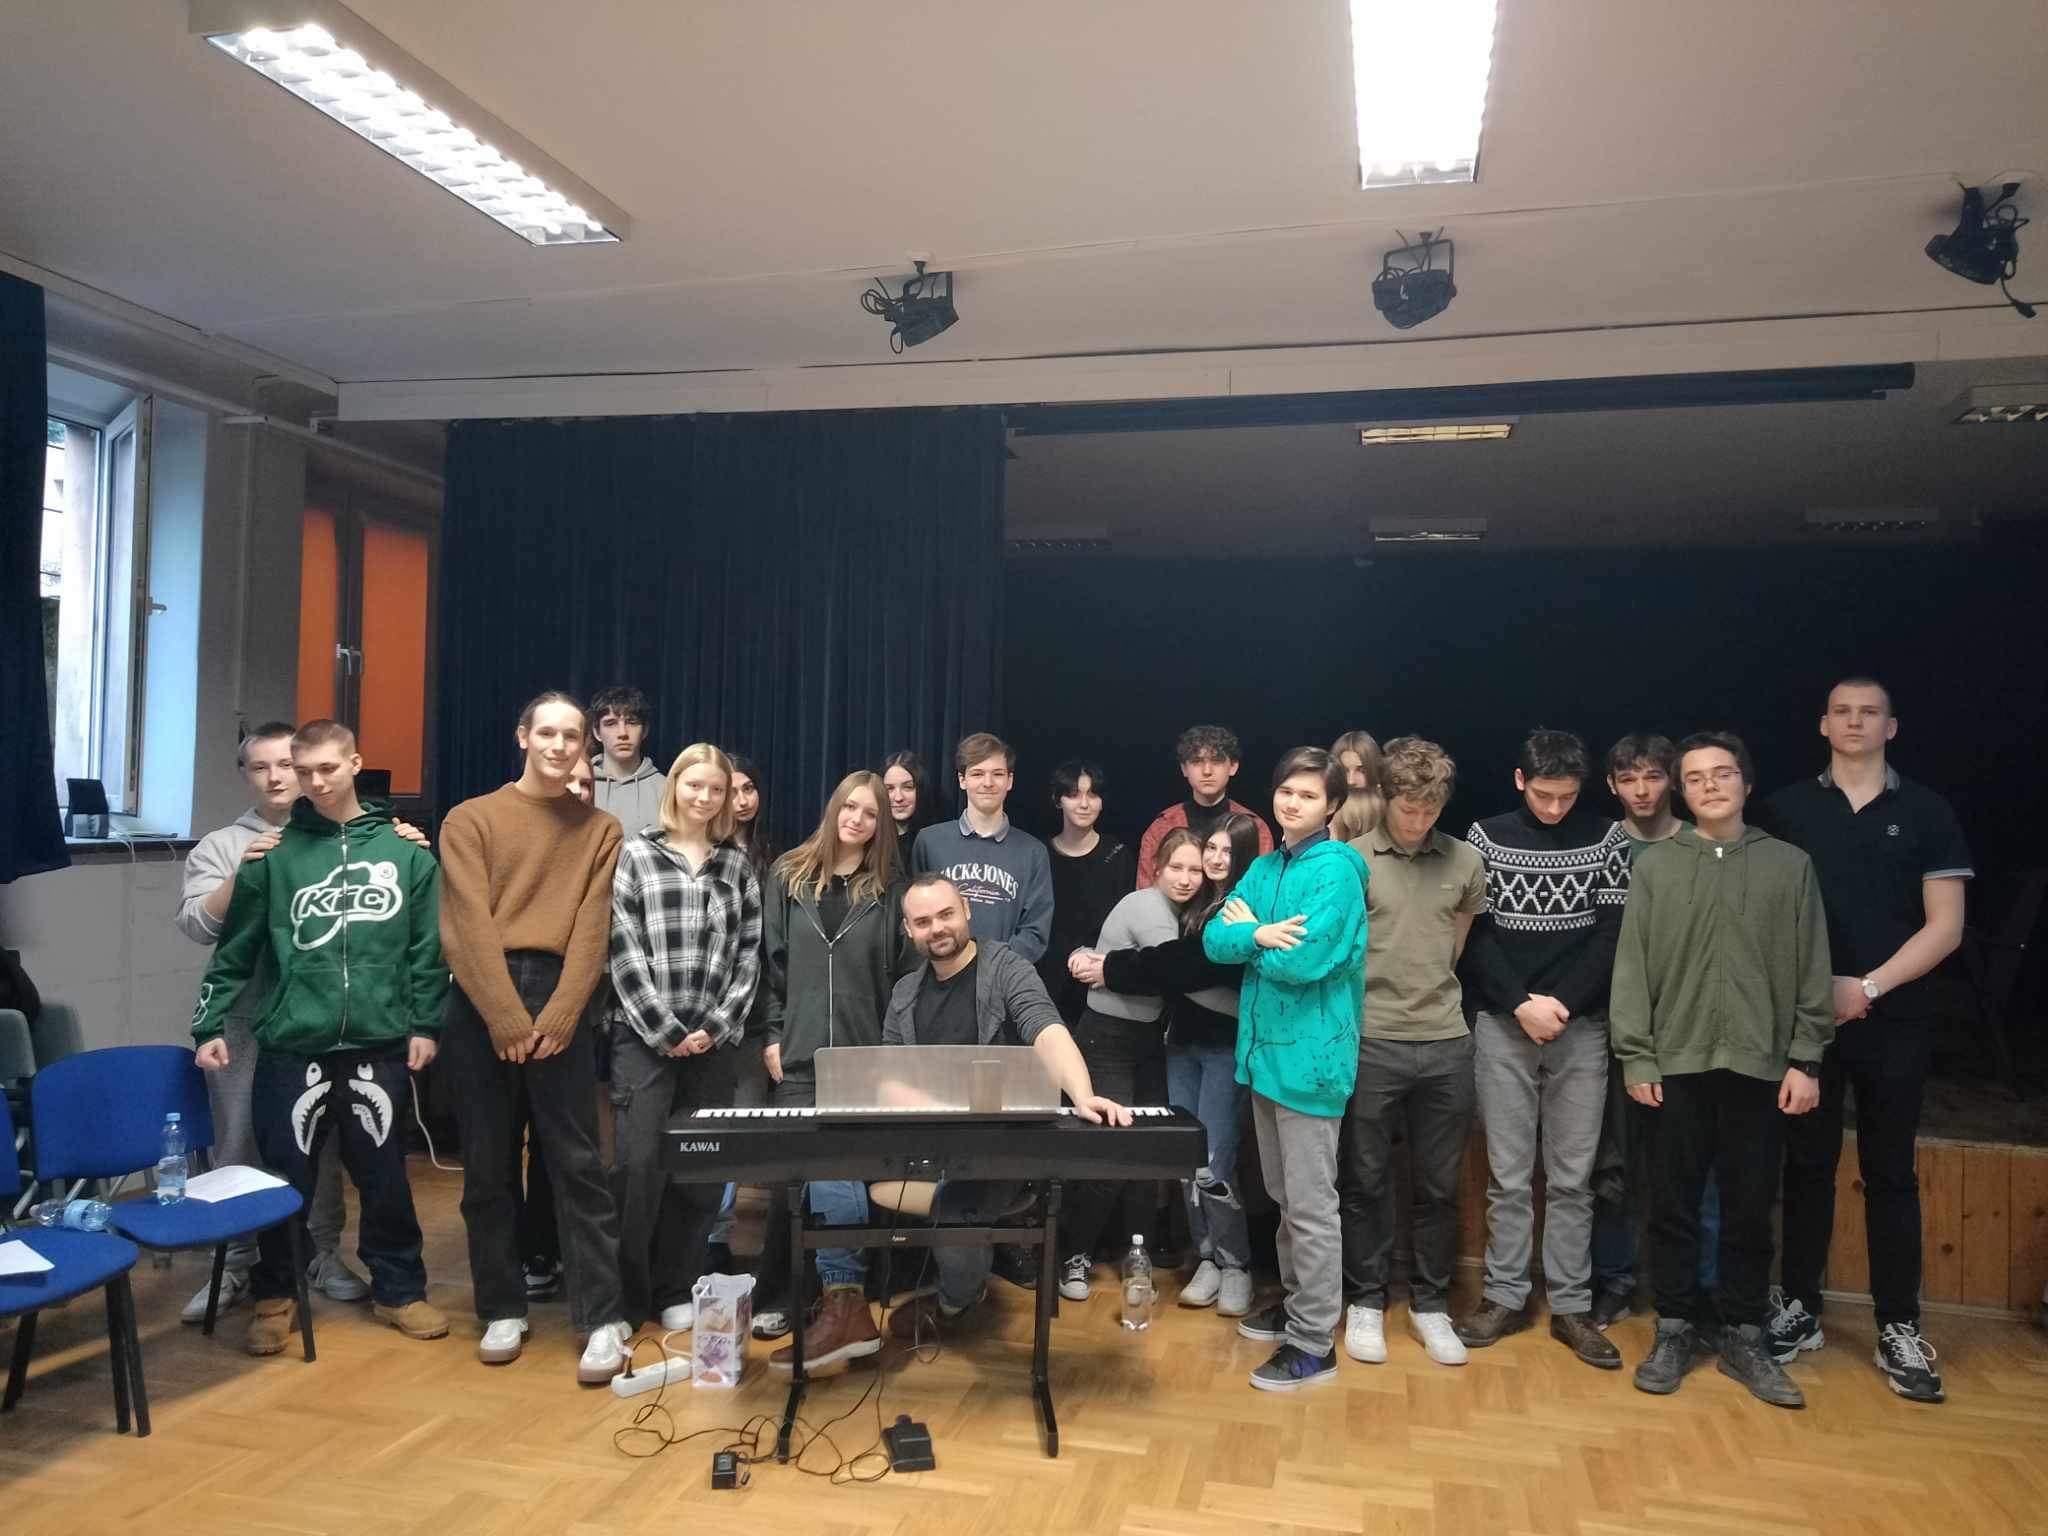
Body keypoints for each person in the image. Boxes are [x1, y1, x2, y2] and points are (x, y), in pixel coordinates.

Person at [190, 720, 449, 1355]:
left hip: (378, 1043)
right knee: (285, 1178)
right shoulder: (272, 857)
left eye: (327, 768)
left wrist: (424, 1024)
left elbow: (427, 949)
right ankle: (275, 1296)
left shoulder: (408, 855)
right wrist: (208, 1024)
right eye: (304, 772)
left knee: (384, 1176)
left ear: (355, 763)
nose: (315, 782)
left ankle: (400, 1291)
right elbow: (234, 951)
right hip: (291, 1044)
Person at [1761, 678, 1971, 1404]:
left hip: (1896, 1017)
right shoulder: (1785, 809)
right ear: (1823, 725)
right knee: (1806, 1166)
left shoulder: (1928, 811)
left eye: (1870, 712)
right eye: (1842, 712)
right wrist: (1816, 991)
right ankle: (1799, 1307)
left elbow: (1946, 926)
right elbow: (1765, 916)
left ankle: (1899, 1326)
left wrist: (1868, 987)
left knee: (1891, 1172)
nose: (1855, 722)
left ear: (1892, 726)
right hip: (1805, 1020)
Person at [1611, 732, 1833, 1408]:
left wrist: (1805, 1057)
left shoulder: (1789, 865)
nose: (1710, 785)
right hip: (1673, 1065)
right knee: (1672, 1204)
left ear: (1746, 783)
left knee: (1748, 1209)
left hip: (1760, 1067)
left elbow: (1813, 967)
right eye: (1696, 777)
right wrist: (1637, 1053)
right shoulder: (1656, 867)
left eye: (1723, 773)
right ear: (1682, 791)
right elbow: (1632, 967)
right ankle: (1675, 1327)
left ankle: (1743, 1335)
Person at [439, 692, 632, 1383]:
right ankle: (502, 1306)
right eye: (546, 732)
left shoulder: (601, 829)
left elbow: (592, 927)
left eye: (571, 736)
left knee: (577, 1164)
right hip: (482, 998)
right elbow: (465, 924)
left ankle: (601, 1317)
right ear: (523, 736)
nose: (558, 745)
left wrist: (560, 1015)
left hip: (560, 998)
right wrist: (503, 1015)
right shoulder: (470, 819)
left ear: (585, 747)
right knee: (488, 1164)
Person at [870, 875, 1129, 1345]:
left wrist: (1082, 1093)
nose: (937, 928)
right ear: (908, 930)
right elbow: (890, 1076)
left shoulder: (1006, 967)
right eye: (923, 922)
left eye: (946, 914)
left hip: (1000, 1147)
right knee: (841, 1182)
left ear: (967, 911)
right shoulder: (905, 992)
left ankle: (958, 1300)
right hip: (928, 1143)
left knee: (955, 1209)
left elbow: (1045, 1029)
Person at [1456, 730, 1630, 1369]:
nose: (1555, 808)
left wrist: (1562, 1005)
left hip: (1579, 1028)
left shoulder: (1609, 839)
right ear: (1519, 780)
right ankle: (1504, 1295)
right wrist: (1519, 1005)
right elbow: (1474, 936)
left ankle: (1571, 1306)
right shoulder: (1485, 838)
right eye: (1544, 795)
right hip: (1504, 1024)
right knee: (1507, 1174)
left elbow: (1612, 936)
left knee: (1573, 1177)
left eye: (1567, 797)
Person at [1203, 746, 1369, 1392]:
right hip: (1263, 1060)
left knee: (1311, 1206)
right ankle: (1299, 1305)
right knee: (1283, 1198)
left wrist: (1255, 935)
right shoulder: (1264, 865)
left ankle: (1313, 1341)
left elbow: (1304, 962)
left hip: (1313, 1062)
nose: (1292, 803)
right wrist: (1256, 935)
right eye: (1286, 791)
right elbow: (1214, 940)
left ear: (1333, 805)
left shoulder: (1338, 873)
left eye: (1308, 795)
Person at [1072, 812, 1263, 1317]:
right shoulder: (1191, 907)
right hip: (1178, 1046)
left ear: (1244, 858)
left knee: (1214, 1162)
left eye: (1224, 852)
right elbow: (1167, 966)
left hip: (1222, 1049)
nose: (1212, 861)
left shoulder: (1242, 909)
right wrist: (1098, 958)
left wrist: (1107, 966)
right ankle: (1207, 1258)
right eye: (1208, 851)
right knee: (1186, 1162)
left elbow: (1178, 972)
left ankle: (1236, 1265)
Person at [1340, 738, 1491, 1369]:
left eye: (1431, 809)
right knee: (1365, 1179)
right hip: (1372, 1039)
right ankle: (1365, 1300)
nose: (1418, 819)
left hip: (1445, 1041)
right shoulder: (1352, 860)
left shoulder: (1465, 860)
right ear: (1385, 796)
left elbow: (1456, 945)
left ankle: (1431, 1305)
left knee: (1438, 1184)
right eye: (1408, 807)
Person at [608, 742, 763, 1337]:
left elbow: (748, 955)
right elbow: (622, 949)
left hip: (713, 1046)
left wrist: (714, 1028)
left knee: (699, 1171)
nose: (706, 797)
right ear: (675, 786)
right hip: (644, 1040)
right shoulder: (636, 854)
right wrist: (666, 1031)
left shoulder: (736, 864)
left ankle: (676, 1286)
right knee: (638, 1169)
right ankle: (627, 1296)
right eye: (695, 785)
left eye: (716, 789)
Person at [759, 772, 909, 1375]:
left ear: (881, 825)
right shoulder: (787, 876)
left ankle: (843, 1301)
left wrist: (892, 1050)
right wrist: (772, 1033)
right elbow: (769, 965)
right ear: (833, 809)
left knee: (839, 1170)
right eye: (849, 806)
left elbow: (903, 978)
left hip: (862, 1055)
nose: (856, 819)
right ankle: (803, 1299)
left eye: (870, 813)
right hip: (796, 1053)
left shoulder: (890, 889)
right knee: (796, 1182)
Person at [1590, 733, 1721, 1329]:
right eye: (1628, 778)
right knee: (1611, 1164)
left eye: (1652, 776)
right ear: (1612, 785)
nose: (1641, 790)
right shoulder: (1600, 844)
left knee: (1701, 1166)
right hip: (1608, 1025)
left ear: (1673, 780)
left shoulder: (1701, 843)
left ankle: (1703, 1288)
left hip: (1686, 1027)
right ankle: (1614, 1280)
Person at [1055, 827, 1205, 1300]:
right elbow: (1174, 974)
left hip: (1147, 1042)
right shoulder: (1147, 905)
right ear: (1156, 869)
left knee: (1148, 1156)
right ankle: (1073, 1255)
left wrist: (1106, 965)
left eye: (1195, 870)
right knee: (1113, 1153)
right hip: (1106, 1040)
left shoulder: (1185, 913)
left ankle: (1134, 1258)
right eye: (1176, 867)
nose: (1185, 878)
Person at [910, 733, 1053, 963]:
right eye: (977, 774)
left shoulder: (1033, 852)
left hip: (1004, 978)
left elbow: (1035, 934)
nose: (988, 783)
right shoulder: (929, 842)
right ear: (962, 780)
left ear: (1010, 781)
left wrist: (990, 969)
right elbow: (915, 916)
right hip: (940, 974)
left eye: (998, 774)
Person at [1040, 759, 1135, 1023]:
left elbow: (1126, 925)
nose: (1084, 804)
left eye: (1092, 795)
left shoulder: (1118, 855)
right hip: (1044, 982)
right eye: (1074, 795)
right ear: (1057, 800)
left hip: (1099, 979)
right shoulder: (1038, 854)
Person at [1134, 724, 1273, 887]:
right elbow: (1145, 892)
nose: (1207, 771)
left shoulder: (1254, 827)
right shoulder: (1162, 827)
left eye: (1217, 761)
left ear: (1233, 767)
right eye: (1197, 761)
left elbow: (1264, 889)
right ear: (1184, 769)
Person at [590, 685, 665, 834]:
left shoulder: (666, 789)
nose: (622, 733)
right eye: (611, 723)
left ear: (645, 730)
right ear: (597, 732)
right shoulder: (579, 785)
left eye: (632, 722)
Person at [1329, 729, 1388, 843]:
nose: (1351, 781)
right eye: (1344, 770)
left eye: (1361, 770)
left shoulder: (1390, 813)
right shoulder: (1324, 810)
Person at [882, 750, 934, 850]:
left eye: (908, 787)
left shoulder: (936, 840)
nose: (898, 798)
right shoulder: (869, 839)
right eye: (889, 788)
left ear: (920, 790)